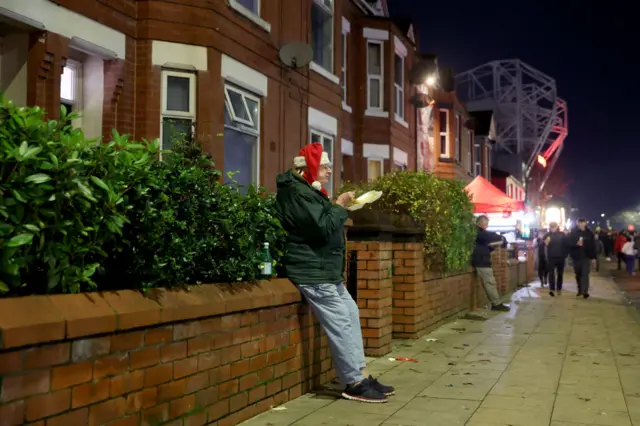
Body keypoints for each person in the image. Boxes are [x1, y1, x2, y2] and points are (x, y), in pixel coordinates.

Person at [275, 143, 393, 403]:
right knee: (340, 323)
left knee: (350, 313)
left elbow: (323, 220)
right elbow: (320, 229)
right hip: (312, 272)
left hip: (325, 271)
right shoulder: (296, 192)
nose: (329, 170)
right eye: (325, 166)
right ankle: (353, 383)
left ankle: (360, 373)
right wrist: (339, 205)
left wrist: (340, 207)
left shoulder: (307, 191)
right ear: (309, 169)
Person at [471, 215, 510, 311]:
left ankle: (496, 303)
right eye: (486, 224)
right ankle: (496, 304)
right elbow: (489, 236)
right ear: (481, 223)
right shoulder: (478, 232)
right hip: (481, 261)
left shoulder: (479, 234)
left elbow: (485, 245)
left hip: (482, 260)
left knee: (490, 283)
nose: (487, 227)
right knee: (490, 283)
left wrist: (493, 246)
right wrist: (501, 237)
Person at [566, 218, 597, 299]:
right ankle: (580, 289)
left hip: (586, 256)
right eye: (580, 223)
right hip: (576, 256)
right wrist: (576, 244)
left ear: (585, 223)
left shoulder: (589, 233)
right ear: (577, 224)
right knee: (578, 274)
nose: (582, 224)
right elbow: (568, 244)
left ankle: (585, 291)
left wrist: (593, 257)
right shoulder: (573, 233)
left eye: (583, 223)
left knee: (585, 274)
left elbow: (593, 246)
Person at [545, 222, 568, 297]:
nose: (552, 228)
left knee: (560, 274)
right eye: (551, 227)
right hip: (551, 257)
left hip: (560, 257)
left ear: (557, 227)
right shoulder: (548, 235)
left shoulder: (562, 234)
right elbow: (542, 243)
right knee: (551, 274)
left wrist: (565, 255)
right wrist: (546, 242)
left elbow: (566, 245)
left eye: (554, 227)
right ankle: (552, 289)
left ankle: (559, 289)